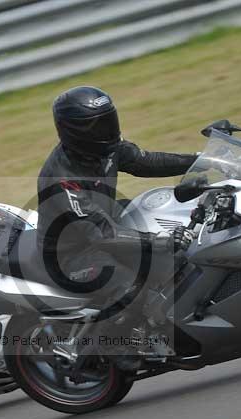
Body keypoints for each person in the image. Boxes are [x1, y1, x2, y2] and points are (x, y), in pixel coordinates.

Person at [36, 86, 198, 316]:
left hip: (107, 225)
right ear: (76, 131)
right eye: (97, 126)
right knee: (132, 290)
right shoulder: (62, 178)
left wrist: (199, 160)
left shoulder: (105, 148)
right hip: (72, 256)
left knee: (177, 250)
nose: (107, 130)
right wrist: (161, 241)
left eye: (108, 120)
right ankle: (127, 346)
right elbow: (101, 234)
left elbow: (145, 162)